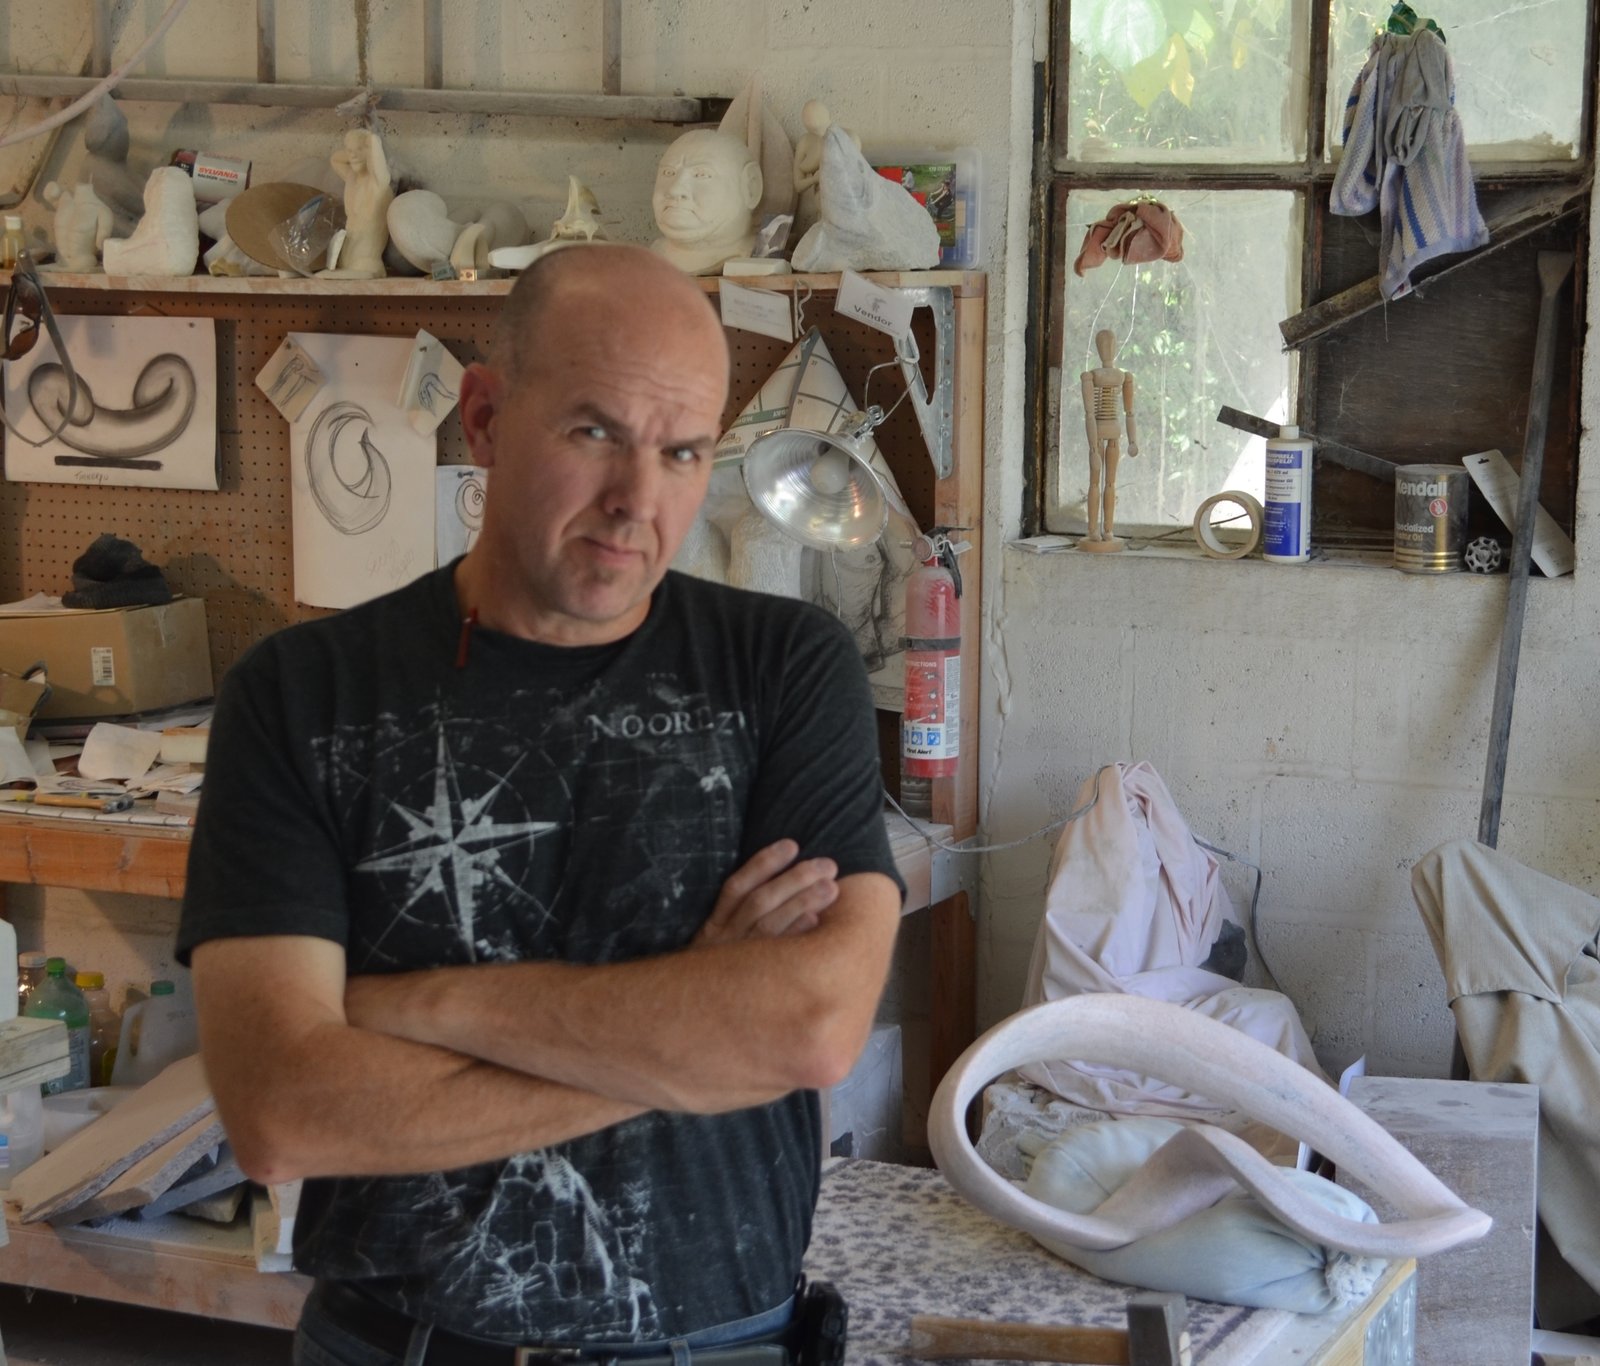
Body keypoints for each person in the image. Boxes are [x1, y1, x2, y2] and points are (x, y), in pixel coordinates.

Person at [178, 243, 904, 1365]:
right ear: (481, 418)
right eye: (593, 430)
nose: (636, 500)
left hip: (721, 1347)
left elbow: (810, 1026)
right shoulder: (302, 694)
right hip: (401, 1347)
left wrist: (415, 1006)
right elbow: (283, 1110)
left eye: (681, 451)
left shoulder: (781, 669)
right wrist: (693, 1041)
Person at [650, 128, 763, 275]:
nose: (675, 189)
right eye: (669, 173)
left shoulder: (758, 255)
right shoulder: (643, 262)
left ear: (751, 188)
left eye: (701, 174)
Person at [1079, 329, 1139, 550]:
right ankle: (1093, 529)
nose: (1108, 349)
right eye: (1104, 345)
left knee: (1110, 483)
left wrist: (1133, 440)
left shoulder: (1123, 377)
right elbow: (1089, 413)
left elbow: (1129, 412)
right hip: (1098, 433)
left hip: (1114, 434)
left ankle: (1108, 529)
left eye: (1110, 345)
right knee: (1095, 482)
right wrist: (1094, 448)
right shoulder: (1091, 376)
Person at [321, 128, 392, 279]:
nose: (352, 155)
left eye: (359, 149)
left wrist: (370, 137)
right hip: (346, 259)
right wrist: (355, 150)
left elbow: (375, 146)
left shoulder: (378, 185)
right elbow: (335, 159)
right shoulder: (352, 178)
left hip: (367, 261)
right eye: (349, 150)